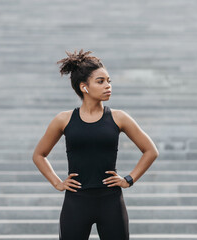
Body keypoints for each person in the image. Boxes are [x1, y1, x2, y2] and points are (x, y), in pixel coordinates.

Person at [32, 49, 159, 240]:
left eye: (109, 81)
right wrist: (57, 182)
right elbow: (39, 155)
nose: (108, 86)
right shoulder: (63, 120)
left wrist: (129, 179)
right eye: (101, 81)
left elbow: (150, 151)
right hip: (76, 201)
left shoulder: (119, 117)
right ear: (84, 87)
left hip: (111, 202)